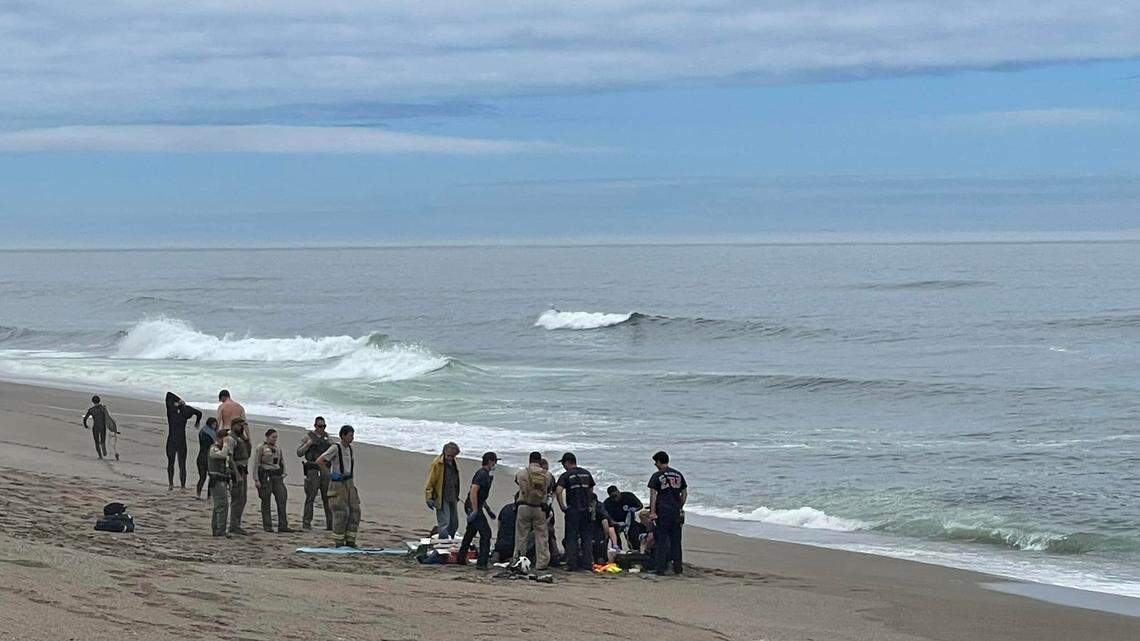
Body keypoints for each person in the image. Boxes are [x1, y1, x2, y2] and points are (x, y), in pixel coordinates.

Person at [317, 425, 361, 548]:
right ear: (343, 436)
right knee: (341, 512)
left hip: (349, 483)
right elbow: (320, 461)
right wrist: (330, 475)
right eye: (350, 435)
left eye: (353, 435)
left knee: (355, 511)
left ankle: (351, 540)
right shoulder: (335, 448)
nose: (352, 438)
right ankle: (339, 542)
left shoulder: (350, 449)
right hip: (338, 484)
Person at [554, 452, 596, 571]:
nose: (563, 466)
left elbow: (558, 491)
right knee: (586, 537)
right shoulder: (586, 473)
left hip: (573, 510)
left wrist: (562, 506)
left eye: (563, 463)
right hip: (586, 509)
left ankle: (572, 564)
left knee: (571, 537)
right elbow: (591, 489)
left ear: (568, 462)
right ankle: (587, 564)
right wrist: (589, 503)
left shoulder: (566, 475)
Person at [648, 451, 687, 575]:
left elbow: (653, 495)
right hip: (675, 512)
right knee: (676, 541)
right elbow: (684, 493)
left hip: (663, 511)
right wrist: (680, 506)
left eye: (656, 462)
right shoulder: (678, 474)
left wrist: (652, 512)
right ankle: (678, 568)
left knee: (662, 541)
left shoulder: (657, 476)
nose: (655, 465)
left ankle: (660, 569)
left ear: (659, 461)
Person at [457, 451, 498, 569]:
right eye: (495, 462)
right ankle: (482, 563)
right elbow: (474, 491)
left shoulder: (487, 475)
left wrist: (488, 510)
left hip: (475, 505)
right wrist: (474, 510)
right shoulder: (482, 474)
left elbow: (481, 496)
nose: (495, 465)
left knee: (471, 532)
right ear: (490, 462)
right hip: (472, 506)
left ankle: (461, 557)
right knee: (486, 534)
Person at [514, 451, 554, 570]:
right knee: (541, 536)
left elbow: (517, 482)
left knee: (521, 535)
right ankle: (542, 563)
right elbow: (550, 487)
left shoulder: (522, 473)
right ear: (540, 461)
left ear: (529, 460)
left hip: (523, 506)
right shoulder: (547, 474)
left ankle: (519, 560)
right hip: (540, 508)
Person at [295, 416, 333, 531]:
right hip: (312, 470)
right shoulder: (308, 437)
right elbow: (299, 453)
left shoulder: (327, 437)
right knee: (310, 497)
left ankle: (330, 524)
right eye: (320, 426)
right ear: (315, 426)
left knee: (327, 498)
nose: (322, 428)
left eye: (324, 426)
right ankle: (306, 523)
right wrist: (308, 444)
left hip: (325, 470)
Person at [255, 428, 293, 533]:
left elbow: (282, 461)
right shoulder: (261, 448)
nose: (274, 439)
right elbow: (256, 464)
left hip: (277, 476)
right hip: (266, 475)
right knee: (266, 500)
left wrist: (284, 472)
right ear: (267, 437)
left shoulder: (278, 448)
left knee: (282, 499)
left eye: (276, 437)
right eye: (273, 437)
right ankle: (267, 525)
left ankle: (283, 525)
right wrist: (256, 479)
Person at [164, 391, 202, 491]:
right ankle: (182, 486)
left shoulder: (171, 411)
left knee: (172, 463)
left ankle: (171, 484)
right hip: (181, 440)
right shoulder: (185, 411)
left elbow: (168, 395)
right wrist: (197, 422)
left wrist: (179, 400)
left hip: (172, 439)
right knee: (182, 464)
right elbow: (199, 413)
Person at [424, 442, 461, 538]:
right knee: (444, 522)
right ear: (444, 452)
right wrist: (429, 498)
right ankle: (443, 540)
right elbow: (430, 482)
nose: (450, 458)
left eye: (452, 456)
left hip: (453, 496)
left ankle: (451, 538)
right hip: (441, 496)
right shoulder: (437, 464)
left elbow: (456, 480)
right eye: (449, 456)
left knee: (454, 523)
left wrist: (457, 494)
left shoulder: (454, 462)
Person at [226, 418, 253, 535]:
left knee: (243, 498)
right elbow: (230, 458)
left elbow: (248, 453)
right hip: (236, 471)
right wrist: (236, 474)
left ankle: (237, 523)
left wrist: (247, 440)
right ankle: (234, 525)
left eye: (243, 426)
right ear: (234, 426)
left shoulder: (241, 438)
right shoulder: (231, 438)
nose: (242, 428)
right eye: (240, 426)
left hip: (243, 470)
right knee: (237, 499)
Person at [206, 427, 233, 536]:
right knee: (222, 505)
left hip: (223, 480)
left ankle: (218, 529)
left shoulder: (223, 449)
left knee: (220, 505)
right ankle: (219, 530)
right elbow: (222, 455)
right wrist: (226, 444)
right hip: (216, 481)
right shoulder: (213, 448)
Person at [604, 484, 644, 550]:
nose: (615, 499)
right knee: (615, 539)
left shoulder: (628, 496)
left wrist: (635, 509)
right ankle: (617, 551)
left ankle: (635, 551)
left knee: (633, 538)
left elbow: (640, 505)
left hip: (629, 521)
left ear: (618, 492)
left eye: (616, 496)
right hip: (615, 523)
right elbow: (607, 517)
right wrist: (616, 523)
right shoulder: (607, 503)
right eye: (613, 497)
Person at [195, 417, 219, 499]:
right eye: (214, 424)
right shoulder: (213, 435)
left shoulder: (202, 431)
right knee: (211, 477)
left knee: (202, 477)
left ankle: (198, 494)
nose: (215, 426)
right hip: (209, 458)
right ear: (211, 424)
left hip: (201, 456)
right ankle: (209, 495)